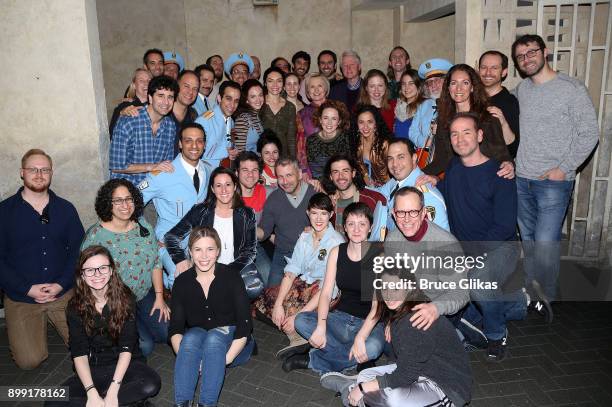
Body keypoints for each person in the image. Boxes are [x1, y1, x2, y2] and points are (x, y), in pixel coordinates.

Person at [511, 34, 599, 305]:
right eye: (521, 56)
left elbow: (590, 133)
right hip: (522, 178)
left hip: (553, 182)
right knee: (528, 240)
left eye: (531, 52)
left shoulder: (571, 88)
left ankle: (545, 296)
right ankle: (529, 289)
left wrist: (564, 169)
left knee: (546, 243)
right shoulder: (521, 90)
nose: (527, 59)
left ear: (545, 52)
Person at [441, 112, 528, 360]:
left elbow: (503, 227)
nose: (460, 139)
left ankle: (496, 335)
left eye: (466, 132)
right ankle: (517, 302)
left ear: (479, 136)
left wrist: (472, 257)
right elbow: (442, 194)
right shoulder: (454, 169)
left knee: (478, 284)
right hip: (466, 249)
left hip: (501, 247)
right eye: (455, 134)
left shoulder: (500, 174)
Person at [319, 268, 472, 407]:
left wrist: (364, 387)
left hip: (446, 387)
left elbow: (405, 375)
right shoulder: (400, 311)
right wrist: (372, 383)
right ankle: (355, 390)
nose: (389, 295)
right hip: (420, 371)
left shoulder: (415, 319)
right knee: (366, 375)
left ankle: (351, 391)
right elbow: (402, 360)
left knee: (393, 400)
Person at [0, 149, 84, 369]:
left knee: (87, 346)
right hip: (22, 297)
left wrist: (61, 285)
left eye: (44, 169)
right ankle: (27, 333)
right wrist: (26, 288)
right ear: (22, 172)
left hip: (62, 292)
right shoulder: (4, 212)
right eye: (33, 169)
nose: (39, 174)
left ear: (51, 173)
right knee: (29, 361)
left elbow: (78, 251)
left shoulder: (66, 209)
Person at [48, 245, 161, 406]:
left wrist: (114, 390)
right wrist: (91, 391)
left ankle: (108, 400)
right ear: (82, 275)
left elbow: (127, 348)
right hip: (95, 366)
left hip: (126, 364)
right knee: (53, 401)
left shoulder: (126, 299)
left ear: (111, 270)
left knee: (151, 384)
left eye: (102, 268)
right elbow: (79, 353)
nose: (97, 274)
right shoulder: (75, 306)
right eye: (90, 270)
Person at [289, 203, 385, 373]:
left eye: (362, 224)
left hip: (369, 323)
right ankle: (356, 359)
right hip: (341, 319)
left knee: (374, 347)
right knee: (301, 320)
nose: (356, 229)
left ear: (370, 228)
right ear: (344, 228)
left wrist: (361, 337)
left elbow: (378, 307)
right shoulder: (336, 252)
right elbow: (325, 294)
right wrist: (321, 325)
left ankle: (314, 360)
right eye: (351, 224)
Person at [82, 179, 169, 357]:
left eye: (129, 199)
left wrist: (159, 297)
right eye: (118, 200)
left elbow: (155, 263)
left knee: (167, 332)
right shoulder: (96, 237)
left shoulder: (144, 226)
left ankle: (138, 321)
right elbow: (86, 279)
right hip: (115, 301)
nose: (125, 205)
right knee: (145, 346)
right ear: (108, 204)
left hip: (144, 294)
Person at [169, 226, 254, 407]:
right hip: (200, 339)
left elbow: (245, 325)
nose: (204, 256)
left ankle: (207, 404)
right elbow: (175, 328)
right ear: (190, 252)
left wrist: (219, 362)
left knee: (214, 338)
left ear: (217, 252)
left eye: (210, 249)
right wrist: (190, 357)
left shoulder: (231, 277)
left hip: (233, 344)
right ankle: (182, 403)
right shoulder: (182, 282)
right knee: (190, 337)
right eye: (198, 249)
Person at [254, 193, 345, 358]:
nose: (318, 218)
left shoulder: (336, 242)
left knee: (296, 314)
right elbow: (292, 270)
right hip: (306, 283)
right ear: (308, 213)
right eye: (314, 213)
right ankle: (299, 333)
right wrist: (279, 305)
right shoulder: (304, 236)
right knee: (267, 300)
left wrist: (298, 315)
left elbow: (328, 286)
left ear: (331, 215)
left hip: (325, 291)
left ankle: (300, 332)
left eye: (323, 213)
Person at [165, 168, 264, 299]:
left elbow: (250, 251)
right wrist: (180, 259)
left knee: (254, 288)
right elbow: (171, 236)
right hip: (205, 264)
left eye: (228, 185)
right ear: (212, 189)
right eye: (218, 185)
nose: (224, 190)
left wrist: (226, 272)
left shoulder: (247, 213)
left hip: (236, 266)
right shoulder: (200, 211)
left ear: (235, 186)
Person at [139, 123, 210, 288]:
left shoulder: (207, 170)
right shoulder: (162, 174)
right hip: (169, 241)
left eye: (199, 141)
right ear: (180, 144)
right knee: (184, 279)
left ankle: (163, 280)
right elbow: (132, 203)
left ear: (204, 145)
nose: (194, 146)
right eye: (188, 140)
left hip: (198, 240)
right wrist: (149, 236)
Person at [420, 64, 513, 180]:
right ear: (448, 89)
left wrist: (508, 164)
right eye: (454, 83)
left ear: (472, 87)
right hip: (457, 181)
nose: (459, 88)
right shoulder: (443, 120)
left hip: (485, 180)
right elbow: (442, 160)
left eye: (465, 83)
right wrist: (415, 175)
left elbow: (501, 154)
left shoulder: (487, 118)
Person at [257, 158, 317, 287]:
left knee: (309, 296)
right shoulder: (274, 199)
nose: (285, 182)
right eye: (280, 177)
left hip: (311, 254)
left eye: (289, 175)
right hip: (283, 255)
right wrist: (250, 229)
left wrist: (317, 231)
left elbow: (328, 225)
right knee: (271, 294)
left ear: (300, 174)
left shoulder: (314, 193)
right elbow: (264, 231)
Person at [109, 75, 178, 186]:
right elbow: (116, 166)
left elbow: (166, 165)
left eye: (170, 97)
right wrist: (152, 166)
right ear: (150, 98)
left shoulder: (170, 126)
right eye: (161, 96)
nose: (166, 102)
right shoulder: (129, 121)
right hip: (127, 189)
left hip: (153, 188)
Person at [374, 138, 449, 233]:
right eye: (390, 158)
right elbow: (376, 195)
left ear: (414, 158)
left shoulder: (428, 197)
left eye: (401, 157)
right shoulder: (395, 181)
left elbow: (441, 242)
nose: (395, 164)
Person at [321, 154, 387, 240]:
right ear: (330, 177)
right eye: (336, 172)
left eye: (345, 171)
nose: (341, 176)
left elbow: (383, 234)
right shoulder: (329, 204)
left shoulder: (374, 199)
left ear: (353, 173)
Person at [235, 151, 273, 284]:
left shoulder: (268, 192)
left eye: (254, 170)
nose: (250, 175)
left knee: (269, 278)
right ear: (236, 173)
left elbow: (292, 196)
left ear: (260, 173)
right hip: (228, 248)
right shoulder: (227, 194)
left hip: (255, 246)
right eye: (245, 170)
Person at [479, 50, 520, 158]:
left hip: (494, 169)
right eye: (484, 67)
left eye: (494, 68)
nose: (488, 72)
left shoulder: (510, 102)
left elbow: (513, 149)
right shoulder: (471, 98)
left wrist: (503, 123)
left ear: (504, 72)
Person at [195, 80, 241, 168]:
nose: (232, 105)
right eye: (228, 99)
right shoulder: (204, 120)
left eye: (236, 101)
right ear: (219, 98)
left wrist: (232, 153)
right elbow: (195, 155)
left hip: (223, 171)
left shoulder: (231, 121)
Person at [349, 104, 392, 187]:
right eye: (361, 122)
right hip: (367, 187)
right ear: (357, 124)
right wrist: (366, 177)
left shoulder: (384, 144)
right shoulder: (356, 142)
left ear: (376, 124)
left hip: (388, 187)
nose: (365, 127)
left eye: (370, 122)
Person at [306, 100, 351, 178]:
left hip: (343, 180)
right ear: (320, 120)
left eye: (334, 118)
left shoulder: (346, 137)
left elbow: (348, 167)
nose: (329, 123)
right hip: (321, 182)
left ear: (339, 121)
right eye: (326, 118)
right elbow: (315, 171)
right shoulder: (311, 140)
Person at [393, 69, 436, 149]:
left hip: (417, 154)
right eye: (403, 84)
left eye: (411, 83)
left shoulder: (426, 106)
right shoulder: (398, 107)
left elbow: (428, 136)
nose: (406, 88)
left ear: (418, 86)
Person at [298, 73, 331, 175]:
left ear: (325, 89)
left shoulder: (339, 109)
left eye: (319, 86)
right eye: (312, 87)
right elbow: (300, 144)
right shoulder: (302, 114)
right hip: (312, 166)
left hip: (336, 163)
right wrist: (303, 169)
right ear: (308, 92)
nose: (316, 90)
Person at [260, 67, 297, 156]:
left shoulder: (290, 107)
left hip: (283, 155)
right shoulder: (259, 103)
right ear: (265, 83)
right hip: (262, 154)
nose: (275, 84)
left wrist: (293, 160)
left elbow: (291, 138)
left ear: (283, 84)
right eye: (270, 81)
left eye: (279, 81)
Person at [109, 68, 151, 138]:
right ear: (134, 85)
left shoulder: (157, 106)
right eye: (141, 80)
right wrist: (122, 114)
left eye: (149, 80)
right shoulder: (124, 106)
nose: (146, 83)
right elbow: (113, 135)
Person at [170, 70, 200, 154]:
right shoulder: (163, 112)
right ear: (176, 86)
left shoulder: (193, 116)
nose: (190, 92)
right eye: (186, 86)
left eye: (195, 89)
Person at [232, 79, 265, 152]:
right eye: (253, 96)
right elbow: (239, 150)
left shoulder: (257, 116)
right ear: (246, 100)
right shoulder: (243, 119)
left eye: (260, 95)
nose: (258, 100)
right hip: (247, 162)